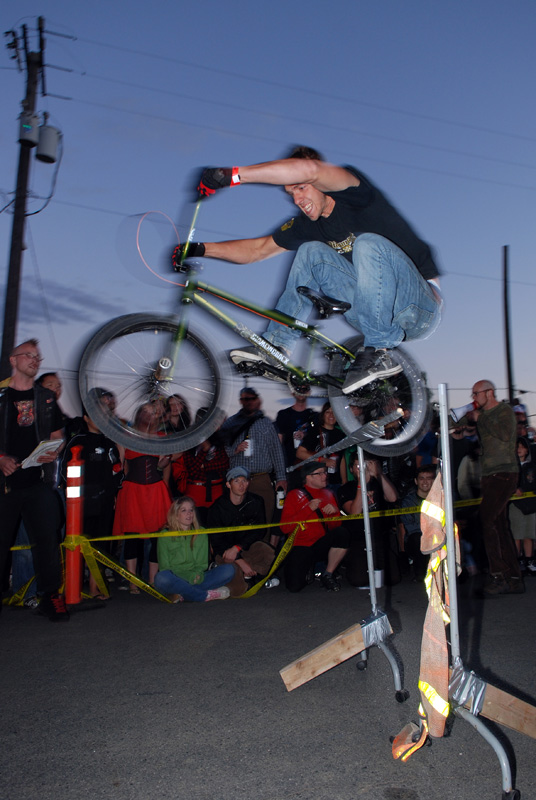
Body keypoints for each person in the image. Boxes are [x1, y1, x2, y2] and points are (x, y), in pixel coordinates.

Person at [178, 146, 442, 393]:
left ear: (320, 183)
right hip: (371, 312)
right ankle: (278, 345)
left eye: (301, 188)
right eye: (291, 194)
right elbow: (257, 250)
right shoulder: (307, 225)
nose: (297, 200)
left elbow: (311, 170)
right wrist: (199, 249)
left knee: (367, 244)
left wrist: (233, 175)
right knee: (309, 251)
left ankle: (379, 351)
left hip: (418, 308)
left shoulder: (356, 194)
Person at [0, 339, 68, 621]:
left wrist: (54, 450)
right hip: (5, 483)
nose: (34, 360)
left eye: (37, 356)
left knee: (48, 540)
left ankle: (50, 597)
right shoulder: (1, 395)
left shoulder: (46, 398)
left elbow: (58, 435)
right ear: (13, 360)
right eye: (28, 355)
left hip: (36, 479)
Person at [453, 380, 523, 597]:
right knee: (499, 525)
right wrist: (459, 420)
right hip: (490, 474)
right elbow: (455, 422)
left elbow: (505, 434)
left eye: (476, 393)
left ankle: (498, 575)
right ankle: (514, 578)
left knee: (487, 520)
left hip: (504, 472)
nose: (473, 397)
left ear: (489, 392)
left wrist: (480, 418)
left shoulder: (504, 411)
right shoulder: (481, 413)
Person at [61, 409, 122, 599]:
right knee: (78, 544)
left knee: (100, 544)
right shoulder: (77, 441)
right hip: (82, 503)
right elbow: (64, 471)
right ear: (86, 418)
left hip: (104, 501)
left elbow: (117, 470)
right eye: (96, 416)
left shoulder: (108, 442)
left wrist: (113, 493)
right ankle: (73, 586)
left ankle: (95, 587)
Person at [112, 403, 172, 593]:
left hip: (155, 490)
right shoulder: (126, 435)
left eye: (153, 413)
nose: (149, 415)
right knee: (132, 536)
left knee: (157, 536)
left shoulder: (161, 437)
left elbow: (162, 464)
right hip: (132, 490)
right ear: (138, 414)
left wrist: (167, 457)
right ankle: (133, 581)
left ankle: (153, 580)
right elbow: (119, 465)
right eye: (145, 411)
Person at [219, 387, 287, 525]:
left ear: (257, 400)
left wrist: (281, 478)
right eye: (246, 399)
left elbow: (276, 451)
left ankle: (264, 540)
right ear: (241, 401)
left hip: (261, 479)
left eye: (252, 399)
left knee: (264, 518)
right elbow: (221, 450)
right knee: (238, 520)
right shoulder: (231, 423)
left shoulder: (266, 423)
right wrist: (235, 450)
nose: (249, 402)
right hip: (238, 481)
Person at [280, 461, 351, 592]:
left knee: (342, 533)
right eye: (319, 473)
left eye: (325, 472)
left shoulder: (329, 494)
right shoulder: (294, 495)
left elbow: (335, 526)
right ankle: (308, 569)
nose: (325, 476)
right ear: (308, 477)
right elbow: (284, 527)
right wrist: (308, 509)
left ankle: (328, 574)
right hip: (300, 546)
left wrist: (335, 513)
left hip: (320, 544)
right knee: (294, 586)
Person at [206, 466, 277, 596]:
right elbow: (216, 541)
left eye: (244, 480)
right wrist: (238, 559)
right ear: (228, 484)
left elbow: (259, 531)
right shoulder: (217, 508)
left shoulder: (256, 501)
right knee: (238, 587)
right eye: (237, 481)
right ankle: (243, 575)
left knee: (269, 552)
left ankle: (251, 573)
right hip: (225, 551)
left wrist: (238, 547)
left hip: (245, 547)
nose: (241, 485)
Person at [154, 497, 233, 602]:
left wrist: (196, 575)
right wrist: (189, 577)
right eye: (184, 510)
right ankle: (204, 595)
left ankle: (183, 593)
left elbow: (202, 565)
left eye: (191, 510)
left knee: (229, 570)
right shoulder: (165, 535)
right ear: (176, 515)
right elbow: (165, 567)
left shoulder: (201, 532)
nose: (189, 513)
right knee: (161, 578)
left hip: (196, 577)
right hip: (175, 578)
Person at [338, 452, 398, 587]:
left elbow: (392, 498)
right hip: (358, 539)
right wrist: (361, 483)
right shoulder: (346, 489)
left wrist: (379, 474)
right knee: (359, 580)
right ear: (351, 469)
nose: (362, 468)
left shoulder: (379, 483)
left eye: (365, 464)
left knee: (392, 579)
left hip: (379, 537)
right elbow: (354, 511)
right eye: (358, 465)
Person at [397, 465, 436, 582]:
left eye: (429, 478)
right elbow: (410, 527)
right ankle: (420, 573)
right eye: (421, 478)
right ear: (416, 481)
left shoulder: (440, 498)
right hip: (417, 538)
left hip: (437, 534)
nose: (425, 482)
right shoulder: (408, 502)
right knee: (417, 538)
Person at [275, 384, 318, 487]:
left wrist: (306, 434)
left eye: (304, 389)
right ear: (293, 392)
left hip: (310, 468)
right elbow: (278, 444)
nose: (301, 392)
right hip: (290, 466)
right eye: (298, 389)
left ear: (309, 392)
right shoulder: (284, 415)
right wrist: (279, 470)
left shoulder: (314, 416)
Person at [296, 402, 345, 489]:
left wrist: (344, 482)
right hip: (317, 481)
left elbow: (341, 459)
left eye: (334, 412)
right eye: (327, 412)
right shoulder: (314, 431)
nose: (331, 415)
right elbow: (300, 453)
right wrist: (322, 460)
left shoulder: (340, 434)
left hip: (335, 482)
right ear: (323, 415)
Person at [509, 437, 536, 575]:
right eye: (517, 447)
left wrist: (525, 490)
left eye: (522, 447)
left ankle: (529, 561)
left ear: (527, 450)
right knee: (517, 535)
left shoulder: (532, 467)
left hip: (531, 505)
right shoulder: (510, 467)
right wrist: (514, 489)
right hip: (516, 504)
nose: (519, 449)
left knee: (529, 534)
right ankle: (518, 561)